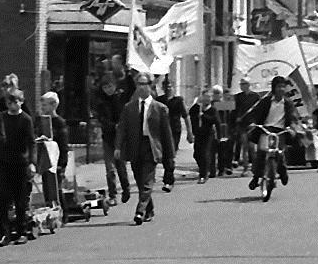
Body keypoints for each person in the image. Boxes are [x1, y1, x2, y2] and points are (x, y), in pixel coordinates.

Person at [115, 71, 176, 225]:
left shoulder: (160, 108)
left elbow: (166, 133)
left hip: (151, 147)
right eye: (139, 84)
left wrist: (170, 155)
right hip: (135, 146)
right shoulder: (129, 107)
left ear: (150, 86)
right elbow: (122, 128)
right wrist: (118, 146)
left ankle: (139, 212)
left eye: (144, 84)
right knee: (140, 180)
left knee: (147, 181)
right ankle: (149, 209)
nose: (141, 88)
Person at [242, 74, 301, 190]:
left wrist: (293, 128)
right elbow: (255, 113)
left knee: (280, 154)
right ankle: (256, 177)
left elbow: (294, 117)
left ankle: (282, 171)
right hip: (265, 130)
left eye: (283, 87)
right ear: (274, 88)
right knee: (261, 154)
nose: (281, 89)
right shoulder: (266, 101)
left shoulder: (288, 103)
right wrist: (252, 123)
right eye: (279, 86)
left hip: (281, 131)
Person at [0, 90, 36, 244]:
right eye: (10, 102)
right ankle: (4, 232)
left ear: (21, 102)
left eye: (16, 101)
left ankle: (22, 231)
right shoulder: (2, 118)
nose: (13, 105)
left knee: (20, 199)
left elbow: (31, 141)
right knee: (2, 197)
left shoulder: (26, 119)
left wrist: (32, 162)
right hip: (4, 162)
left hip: (20, 162)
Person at [90, 71, 131, 203]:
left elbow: (130, 91)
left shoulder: (120, 98)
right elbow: (101, 118)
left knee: (121, 166)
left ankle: (126, 189)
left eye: (110, 86)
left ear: (115, 85)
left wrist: (129, 73)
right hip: (107, 136)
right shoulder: (100, 101)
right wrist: (111, 125)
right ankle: (112, 195)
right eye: (105, 87)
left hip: (120, 139)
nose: (108, 90)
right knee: (110, 168)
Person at [32, 92, 70, 219]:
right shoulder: (41, 121)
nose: (43, 108)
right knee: (47, 186)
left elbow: (63, 144)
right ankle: (51, 209)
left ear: (54, 105)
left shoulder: (59, 122)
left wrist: (62, 163)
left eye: (45, 105)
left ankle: (64, 211)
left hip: (57, 159)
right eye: (42, 105)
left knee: (56, 187)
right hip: (45, 158)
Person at [189, 86, 229, 184]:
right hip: (198, 134)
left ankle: (204, 174)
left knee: (206, 153)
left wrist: (220, 136)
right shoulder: (197, 108)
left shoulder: (214, 108)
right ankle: (206, 169)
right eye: (204, 97)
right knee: (197, 154)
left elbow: (217, 121)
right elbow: (189, 114)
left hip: (208, 135)